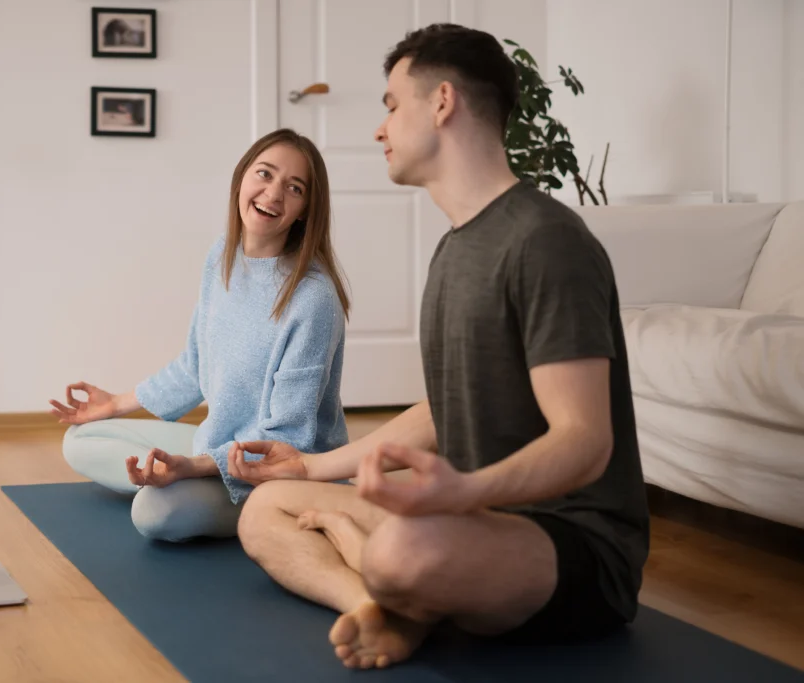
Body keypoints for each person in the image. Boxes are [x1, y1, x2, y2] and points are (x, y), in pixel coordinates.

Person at [228, 24, 650, 670]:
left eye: (392, 105)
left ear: (443, 102)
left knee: (405, 551)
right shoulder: (455, 249)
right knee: (264, 508)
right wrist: (311, 469)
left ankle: (389, 579)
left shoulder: (546, 241)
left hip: (573, 546)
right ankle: (378, 607)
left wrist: (460, 491)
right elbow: (442, 410)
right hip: (470, 519)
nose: (380, 128)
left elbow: (585, 440)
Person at [50, 128, 352, 543]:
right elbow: (196, 365)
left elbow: (288, 441)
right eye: (264, 174)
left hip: (277, 476)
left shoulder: (312, 299)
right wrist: (115, 404)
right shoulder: (222, 257)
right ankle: (176, 479)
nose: (273, 194)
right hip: (217, 449)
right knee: (81, 440)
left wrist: (191, 468)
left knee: (154, 513)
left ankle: (188, 489)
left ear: (304, 209)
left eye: (294, 187)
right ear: (242, 178)